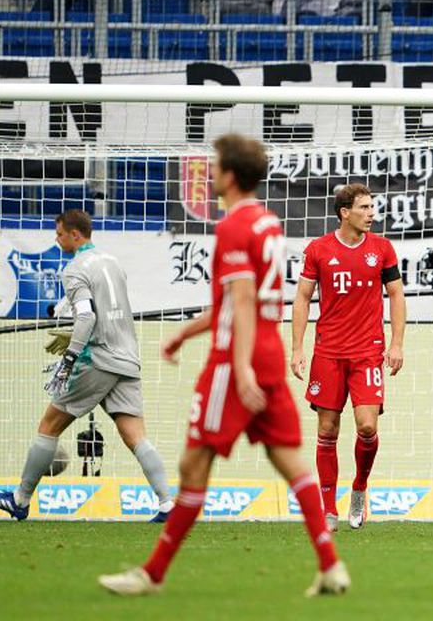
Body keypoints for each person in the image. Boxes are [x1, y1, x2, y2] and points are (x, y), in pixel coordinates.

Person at [99, 134, 349, 597]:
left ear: (231, 175)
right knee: (290, 460)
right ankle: (331, 565)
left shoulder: (233, 228)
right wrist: (183, 333)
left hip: (237, 360)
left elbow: (242, 301)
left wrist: (241, 369)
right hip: (267, 349)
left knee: (193, 464)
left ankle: (152, 574)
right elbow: (236, 301)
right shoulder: (268, 224)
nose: (210, 174)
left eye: (215, 166)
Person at [0, 210, 174, 523]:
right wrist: (75, 337)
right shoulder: (112, 263)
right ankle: (168, 505)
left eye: (59, 234)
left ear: (74, 234)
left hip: (99, 360)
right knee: (135, 435)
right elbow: (109, 316)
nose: (56, 240)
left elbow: (87, 317)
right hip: (128, 359)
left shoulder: (74, 270)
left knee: (49, 425)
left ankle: (19, 500)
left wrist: (70, 358)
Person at [291, 183, 406, 531]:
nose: (372, 213)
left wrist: (396, 343)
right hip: (328, 352)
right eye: (365, 207)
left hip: (368, 351)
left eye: (372, 207)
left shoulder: (382, 249)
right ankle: (329, 509)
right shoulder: (318, 250)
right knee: (327, 429)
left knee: (367, 427)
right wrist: (297, 348)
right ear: (345, 212)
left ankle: (359, 487)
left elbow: (397, 295)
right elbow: (302, 298)